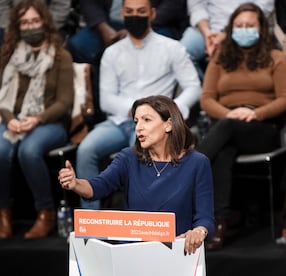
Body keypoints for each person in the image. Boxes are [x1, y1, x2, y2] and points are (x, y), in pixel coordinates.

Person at [75, 0, 201, 209]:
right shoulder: (112, 53)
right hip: (119, 121)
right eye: (130, 12)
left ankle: (143, 219)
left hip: (155, 125)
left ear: (152, 14)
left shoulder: (172, 48)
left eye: (141, 11)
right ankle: (91, 223)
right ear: (122, 14)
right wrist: (138, 112)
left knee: (141, 146)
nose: (135, 16)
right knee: (86, 149)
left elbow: (193, 87)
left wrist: (168, 113)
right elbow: (106, 99)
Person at [58, 95, 215, 254]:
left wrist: (198, 232)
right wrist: (75, 183)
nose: (139, 127)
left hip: (177, 253)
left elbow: (205, 217)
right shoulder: (128, 158)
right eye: (136, 121)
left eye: (146, 120)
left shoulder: (197, 163)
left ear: (168, 125)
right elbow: (97, 187)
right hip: (131, 253)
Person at [195, 3, 286, 250]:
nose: (244, 29)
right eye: (239, 26)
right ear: (231, 28)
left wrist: (256, 114)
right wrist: (229, 114)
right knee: (223, 151)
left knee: (226, 131)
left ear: (261, 30)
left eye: (250, 26)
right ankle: (219, 222)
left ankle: (185, 168)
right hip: (227, 126)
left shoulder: (276, 58)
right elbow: (207, 99)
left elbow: (284, 99)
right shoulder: (220, 58)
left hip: (263, 128)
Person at [0, 0, 74, 240]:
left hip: (50, 122)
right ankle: (3, 213)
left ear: (44, 22)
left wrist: (37, 119)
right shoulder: (10, 56)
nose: (30, 26)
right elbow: (2, 98)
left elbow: (64, 103)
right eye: (24, 22)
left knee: (29, 150)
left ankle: (46, 212)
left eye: (34, 21)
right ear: (17, 26)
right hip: (15, 120)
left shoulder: (60, 56)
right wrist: (10, 119)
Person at [180, 0, 275, 81]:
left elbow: (263, 8)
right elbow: (196, 6)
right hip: (208, 26)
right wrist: (207, 34)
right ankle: (204, 92)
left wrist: (228, 33)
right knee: (182, 52)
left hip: (246, 26)